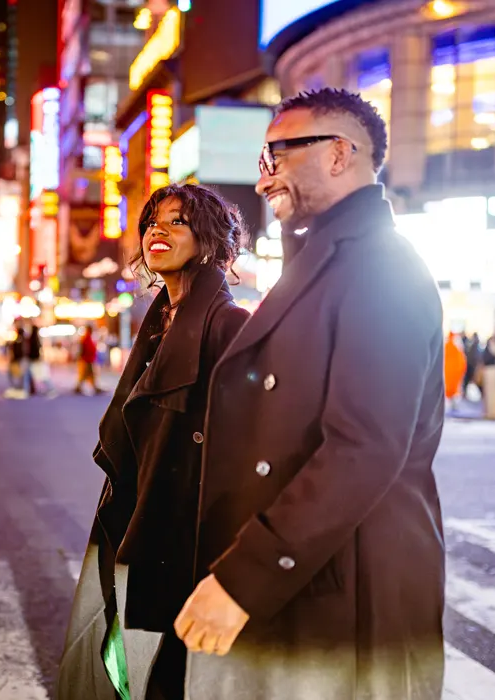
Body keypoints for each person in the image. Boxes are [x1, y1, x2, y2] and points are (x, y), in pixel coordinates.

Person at [111, 88, 442, 700]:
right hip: (301, 586)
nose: (263, 180)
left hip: (344, 598)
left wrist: (243, 578)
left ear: (340, 154)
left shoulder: (381, 267)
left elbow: (363, 448)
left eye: (278, 157)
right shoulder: (323, 265)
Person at [57, 183, 250, 700]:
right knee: (155, 671)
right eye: (152, 222)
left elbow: (247, 449)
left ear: (210, 242)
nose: (157, 231)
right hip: (155, 519)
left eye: (177, 222)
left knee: (180, 677)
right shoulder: (160, 323)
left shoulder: (230, 326)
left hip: (197, 539)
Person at [75, 325, 103, 395]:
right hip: (86, 360)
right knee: (86, 374)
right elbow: (82, 349)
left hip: (89, 359)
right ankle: (79, 387)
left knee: (90, 375)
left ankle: (94, 387)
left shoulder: (88, 338)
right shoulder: (85, 338)